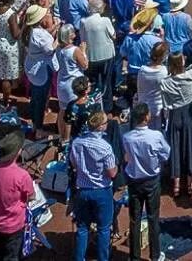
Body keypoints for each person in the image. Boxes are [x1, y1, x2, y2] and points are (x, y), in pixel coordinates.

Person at [68, 109, 121, 261]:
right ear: (100, 126)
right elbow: (112, 173)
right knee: (104, 229)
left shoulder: (77, 142)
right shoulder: (105, 147)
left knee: (82, 228)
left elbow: (73, 163)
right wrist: (117, 166)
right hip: (102, 191)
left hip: (82, 190)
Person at [120, 103, 170, 261]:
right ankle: (155, 256)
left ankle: (134, 257)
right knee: (153, 217)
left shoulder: (127, 137)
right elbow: (166, 154)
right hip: (151, 181)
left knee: (134, 219)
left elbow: (125, 157)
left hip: (134, 181)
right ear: (146, 117)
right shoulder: (156, 136)